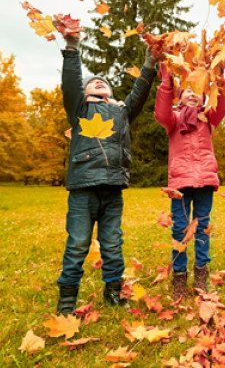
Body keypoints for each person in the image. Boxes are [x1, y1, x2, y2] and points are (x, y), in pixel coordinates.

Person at [56, 35, 157, 316]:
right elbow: (71, 83)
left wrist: (149, 63)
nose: (98, 81)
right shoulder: (80, 109)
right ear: (85, 92)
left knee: (113, 242)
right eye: (93, 82)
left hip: (113, 188)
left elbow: (139, 93)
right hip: (83, 188)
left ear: (111, 93)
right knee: (77, 243)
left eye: (103, 82)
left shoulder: (121, 112)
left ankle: (113, 290)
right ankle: (67, 298)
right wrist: (72, 49)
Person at [154, 65, 225, 300]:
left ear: (204, 96)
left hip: (205, 179)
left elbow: (223, 105)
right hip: (180, 181)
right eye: (187, 90)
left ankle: (201, 274)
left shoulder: (208, 118)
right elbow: (161, 112)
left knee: (203, 226)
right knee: (180, 228)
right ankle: (179, 276)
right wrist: (167, 79)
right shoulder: (174, 119)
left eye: (197, 90)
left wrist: (219, 77)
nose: (193, 94)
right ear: (179, 96)